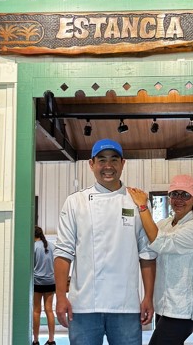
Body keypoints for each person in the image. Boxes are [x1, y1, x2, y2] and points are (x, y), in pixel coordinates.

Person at [53, 139, 157, 345]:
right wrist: (60, 297)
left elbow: (147, 254)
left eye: (114, 160)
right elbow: (63, 253)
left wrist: (148, 297)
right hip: (83, 306)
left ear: (123, 163)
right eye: (102, 160)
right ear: (91, 164)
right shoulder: (76, 202)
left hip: (125, 306)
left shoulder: (138, 202)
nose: (108, 166)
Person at [127, 175, 193, 345]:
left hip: (183, 310)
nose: (179, 199)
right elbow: (147, 245)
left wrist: (142, 206)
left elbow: (159, 242)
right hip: (164, 305)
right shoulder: (165, 223)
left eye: (185, 195)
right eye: (175, 194)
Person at [33, 226, 56, 345]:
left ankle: (36, 341)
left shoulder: (34, 247)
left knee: (36, 311)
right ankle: (51, 341)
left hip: (37, 282)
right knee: (49, 311)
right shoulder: (52, 246)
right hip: (51, 282)